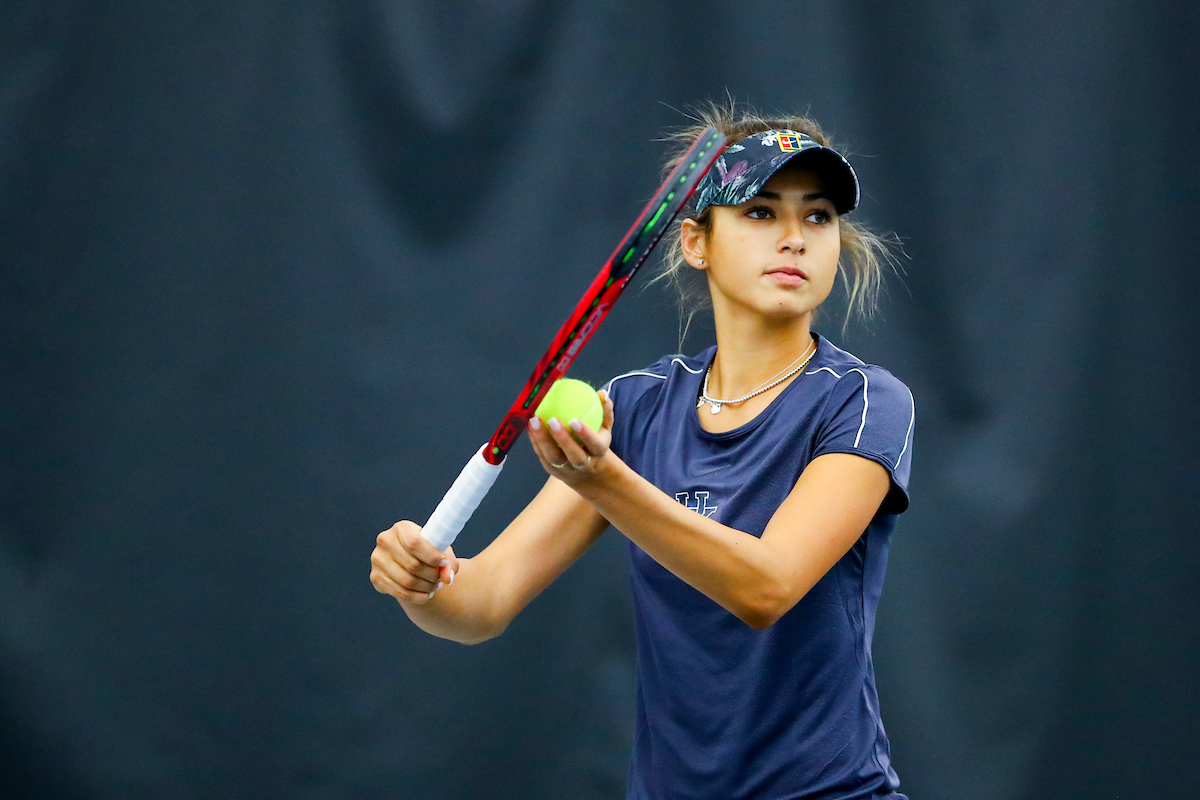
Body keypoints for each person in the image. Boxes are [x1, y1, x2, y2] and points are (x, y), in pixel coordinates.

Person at [370, 105, 914, 800]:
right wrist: (426, 583)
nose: (794, 238)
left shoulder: (864, 401)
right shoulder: (634, 408)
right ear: (696, 242)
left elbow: (766, 588)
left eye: (817, 216)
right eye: (759, 212)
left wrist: (603, 481)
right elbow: (484, 603)